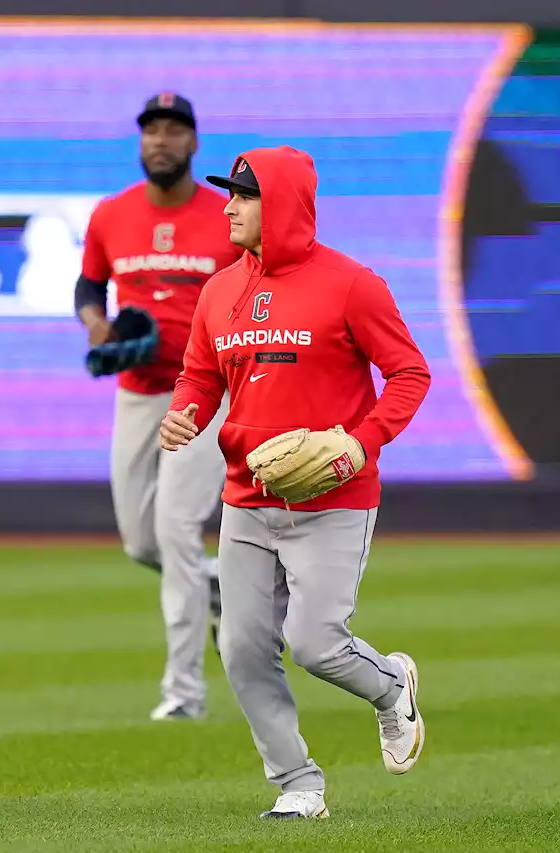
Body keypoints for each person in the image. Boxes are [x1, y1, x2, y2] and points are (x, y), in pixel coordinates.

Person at [159, 146, 432, 819]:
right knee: (243, 649)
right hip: (247, 499)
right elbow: (201, 374)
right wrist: (184, 413)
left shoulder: (351, 283)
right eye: (228, 195)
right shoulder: (221, 289)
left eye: (242, 197)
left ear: (277, 204)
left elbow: (410, 374)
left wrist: (360, 444)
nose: (227, 207)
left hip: (332, 499)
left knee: (314, 641)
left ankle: (392, 685)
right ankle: (298, 784)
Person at [75, 93, 241, 722]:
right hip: (138, 392)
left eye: (174, 130)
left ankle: (183, 693)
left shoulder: (224, 216)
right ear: (140, 142)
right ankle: (228, 586)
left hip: (203, 394)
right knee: (140, 541)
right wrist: (97, 325)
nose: (161, 140)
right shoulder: (112, 214)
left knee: (175, 531)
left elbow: (256, 289)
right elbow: (90, 287)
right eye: (152, 130)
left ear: (194, 143)